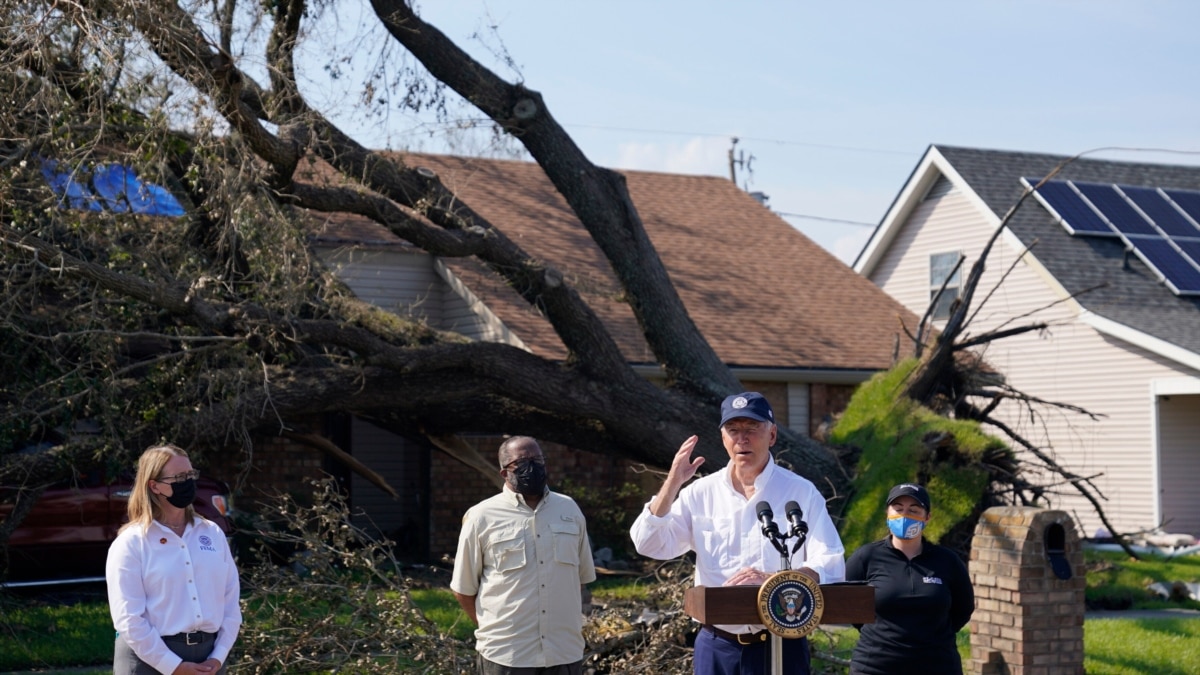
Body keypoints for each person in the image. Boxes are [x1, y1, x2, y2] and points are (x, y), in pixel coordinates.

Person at [630, 392, 846, 675]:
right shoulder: (700, 492)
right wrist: (672, 483)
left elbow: (830, 563)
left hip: (782, 643)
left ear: (772, 435)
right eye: (733, 430)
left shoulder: (800, 492)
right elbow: (649, 543)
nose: (741, 439)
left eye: (751, 429)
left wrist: (773, 582)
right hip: (718, 645)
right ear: (723, 438)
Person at [451, 436, 597, 675]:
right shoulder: (481, 516)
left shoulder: (569, 509)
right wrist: (492, 629)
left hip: (563, 652)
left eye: (538, 459)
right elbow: (463, 589)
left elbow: (578, 579)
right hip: (507, 655)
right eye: (522, 462)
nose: (533, 466)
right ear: (503, 472)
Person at [106, 444, 241, 675]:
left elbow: (230, 603)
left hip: (209, 659)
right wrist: (173, 666)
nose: (188, 482)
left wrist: (218, 657)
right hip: (147, 661)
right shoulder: (131, 543)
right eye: (179, 477)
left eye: (190, 475)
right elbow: (128, 618)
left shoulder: (212, 533)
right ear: (154, 485)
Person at [844, 483, 974, 675]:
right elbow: (850, 607)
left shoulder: (947, 560)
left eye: (914, 510)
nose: (904, 516)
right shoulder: (866, 557)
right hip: (875, 666)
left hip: (938, 665)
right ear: (887, 514)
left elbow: (963, 608)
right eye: (898, 509)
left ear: (927, 517)